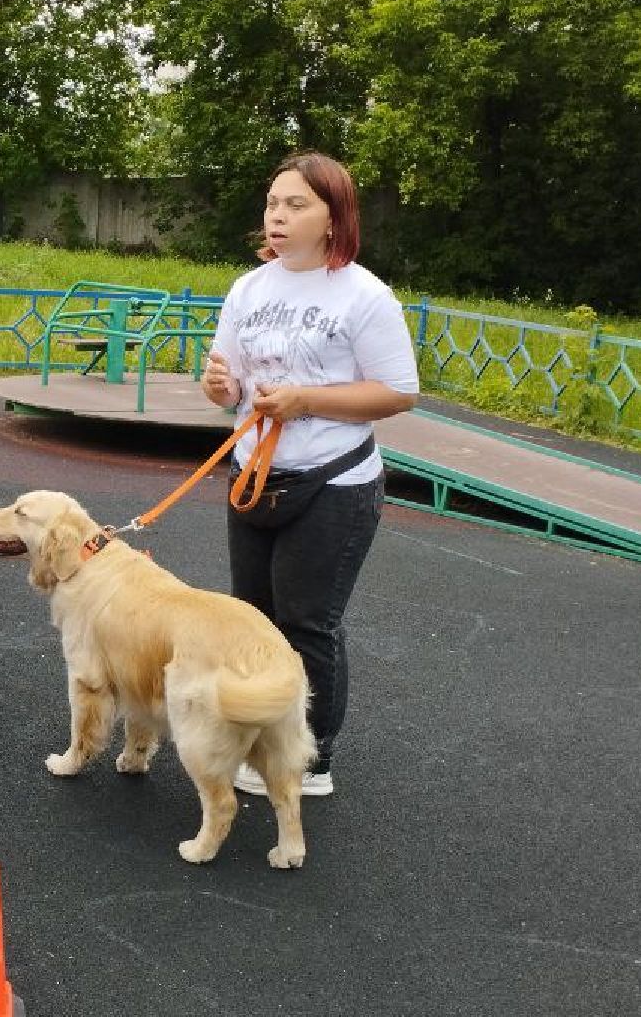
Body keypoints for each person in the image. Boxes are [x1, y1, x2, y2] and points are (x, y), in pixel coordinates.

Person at [199, 151, 418, 799]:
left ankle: (311, 759)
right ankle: (259, 738)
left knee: (307, 622)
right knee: (252, 619)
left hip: (334, 483)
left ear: (332, 217)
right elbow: (226, 382)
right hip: (254, 473)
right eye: (273, 204)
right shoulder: (249, 288)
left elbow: (398, 392)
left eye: (296, 205)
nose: (278, 216)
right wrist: (219, 385)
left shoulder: (363, 295)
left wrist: (304, 400)